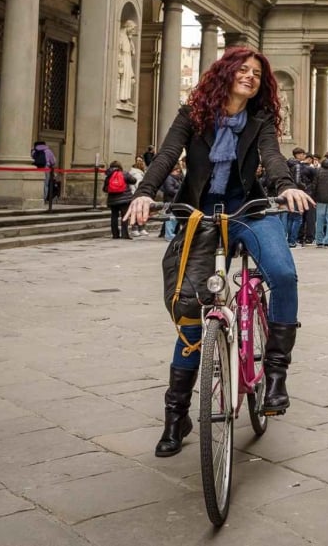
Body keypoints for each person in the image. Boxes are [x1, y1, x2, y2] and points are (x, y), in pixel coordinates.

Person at [125, 46, 314, 457]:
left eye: (257, 74)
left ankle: (276, 374)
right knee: (191, 313)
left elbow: (272, 158)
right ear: (225, 73)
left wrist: (286, 187)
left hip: (249, 210)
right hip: (201, 216)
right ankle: (176, 415)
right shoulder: (193, 114)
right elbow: (167, 155)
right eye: (243, 69)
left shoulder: (260, 119)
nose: (250, 77)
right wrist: (144, 193)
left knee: (283, 275)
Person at [104, 160, 132, 239]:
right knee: (124, 216)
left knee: (114, 216)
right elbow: (134, 180)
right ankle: (124, 234)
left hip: (113, 200)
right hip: (124, 199)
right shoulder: (125, 174)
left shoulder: (108, 176)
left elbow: (105, 189)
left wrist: (112, 189)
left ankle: (115, 234)